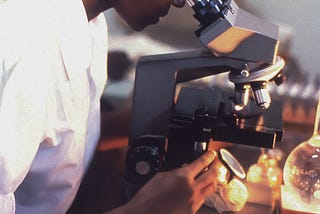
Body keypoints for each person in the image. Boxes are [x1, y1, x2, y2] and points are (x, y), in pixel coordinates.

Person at [0, 0, 219, 213]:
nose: (180, 3)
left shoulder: (90, 25)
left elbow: (57, 134)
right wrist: (145, 209)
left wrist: (159, 122)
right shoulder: (22, 46)